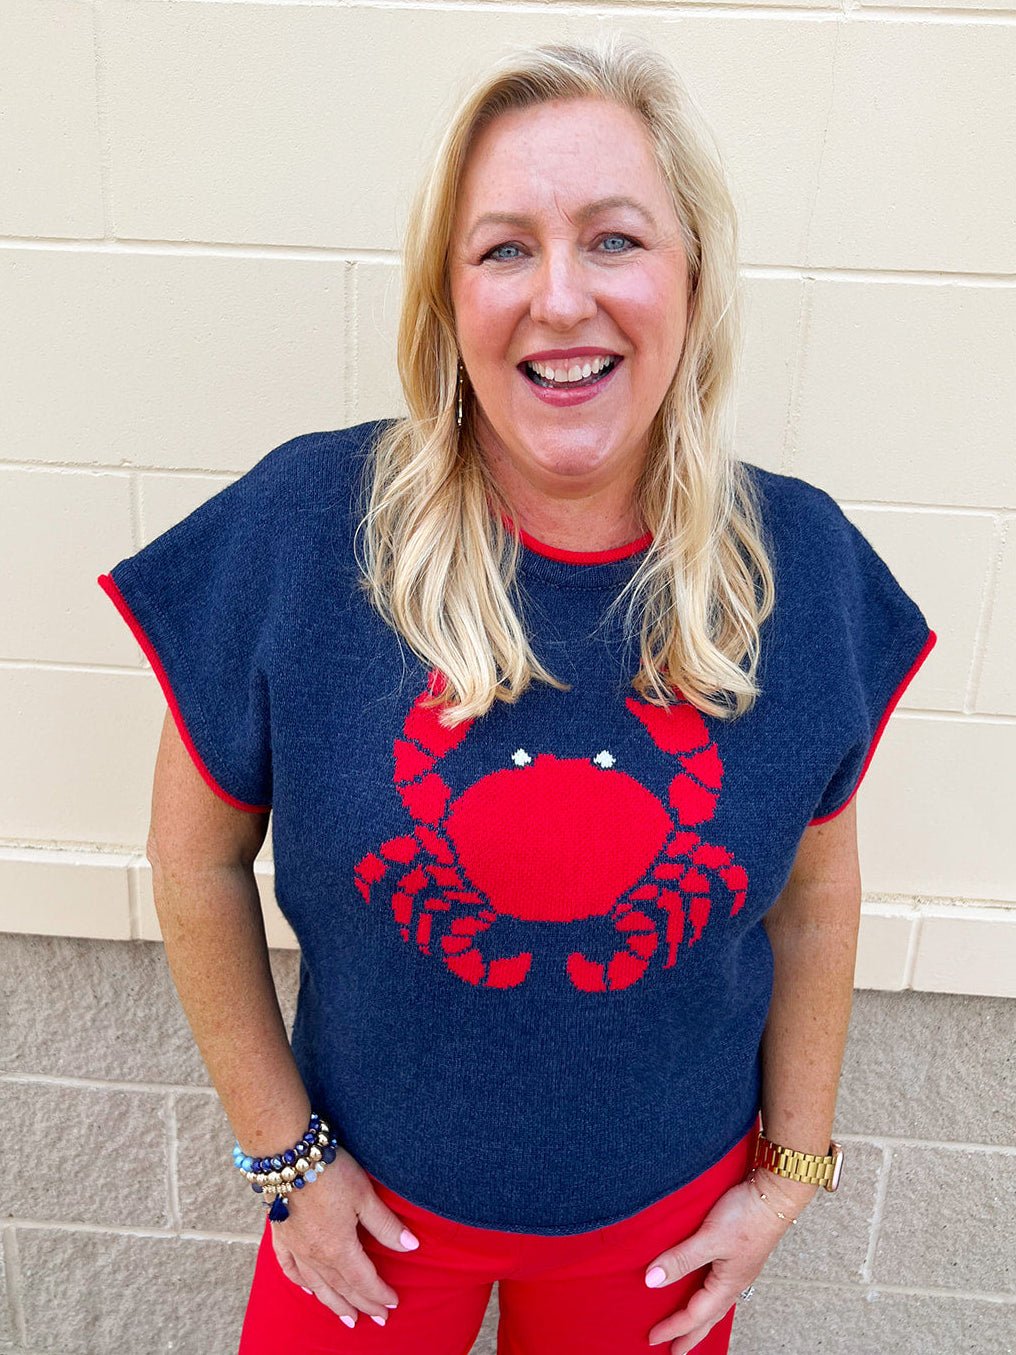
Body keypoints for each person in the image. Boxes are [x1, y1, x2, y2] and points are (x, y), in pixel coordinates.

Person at [96, 34, 937, 1355]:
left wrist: (794, 1163)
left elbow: (817, 895)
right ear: (448, 298)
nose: (560, 297)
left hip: (660, 1226)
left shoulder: (802, 566)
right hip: (365, 1218)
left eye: (615, 240)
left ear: (692, 275)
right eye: (503, 250)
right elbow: (193, 860)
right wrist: (284, 1157)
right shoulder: (307, 531)